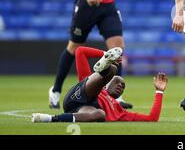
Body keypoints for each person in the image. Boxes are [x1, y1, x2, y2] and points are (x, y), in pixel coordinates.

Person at [32, 47, 168, 122]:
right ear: (108, 84)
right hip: (81, 93)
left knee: (99, 115)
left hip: (80, 110)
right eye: (117, 82)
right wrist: (105, 53)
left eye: (123, 86)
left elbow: (152, 118)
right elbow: (80, 52)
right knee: (113, 69)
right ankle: (107, 61)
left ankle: (50, 119)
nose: (120, 85)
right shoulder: (100, 88)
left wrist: (159, 92)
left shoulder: (120, 112)